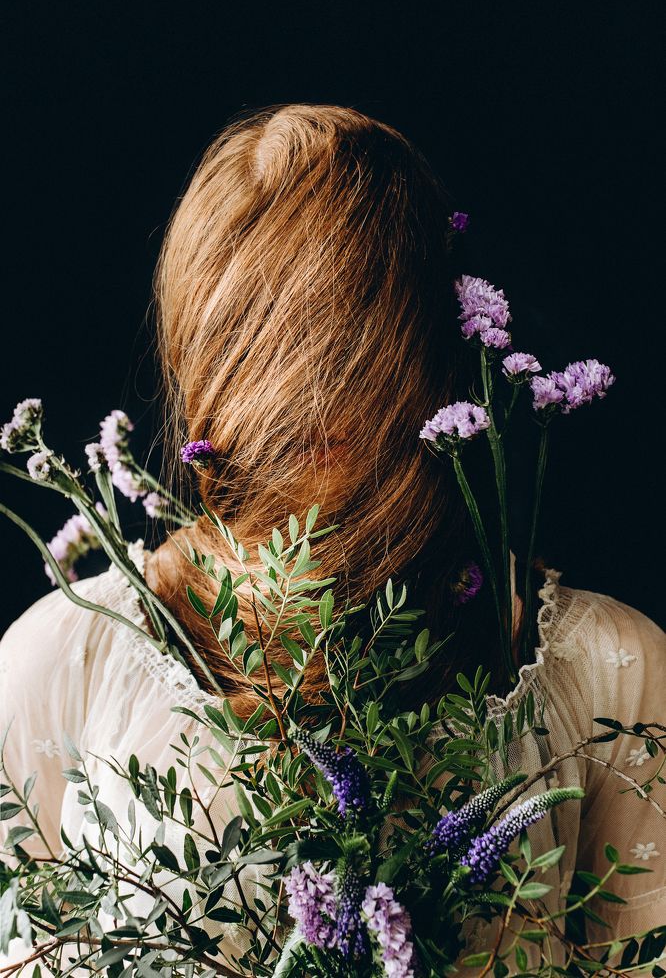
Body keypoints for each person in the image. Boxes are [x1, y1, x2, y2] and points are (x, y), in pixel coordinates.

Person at [1, 105, 664, 965]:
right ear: (200, 349)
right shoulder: (65, 661)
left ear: (423, 336)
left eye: (350, 330)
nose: (307, 390)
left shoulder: (615, 675)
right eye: (257, 333)